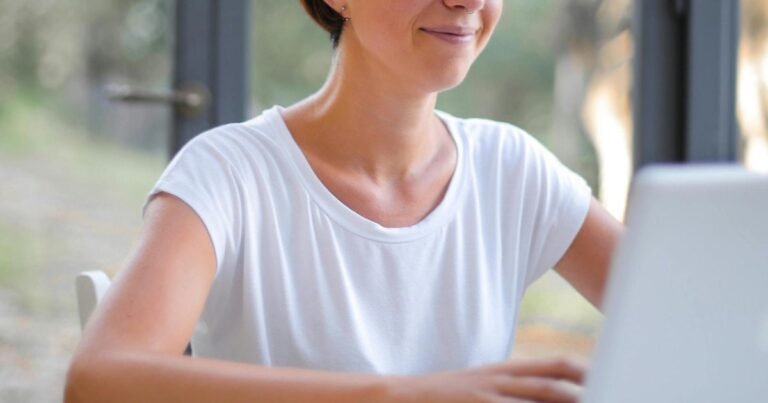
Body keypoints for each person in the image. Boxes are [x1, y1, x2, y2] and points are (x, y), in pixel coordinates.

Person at [65, 0, 623, 401]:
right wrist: (398, 396)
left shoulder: (513, 169)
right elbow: (99, 379)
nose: (468, 2)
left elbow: (687, 316)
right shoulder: (229, 173)